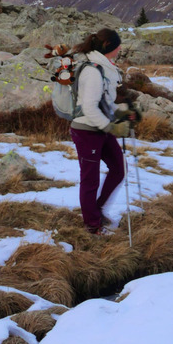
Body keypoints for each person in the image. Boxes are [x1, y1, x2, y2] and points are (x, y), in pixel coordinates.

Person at [70, 28, 132, 235]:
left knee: (118, 168)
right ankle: (92, 226)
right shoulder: (93, 71)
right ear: (108, 47)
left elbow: (104, 102)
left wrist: (120, 114)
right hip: (87, 131)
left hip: (100, 128)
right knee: (90, 179)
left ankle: (95, 210)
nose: (120, 48)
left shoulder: (104, 68)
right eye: (117, 45)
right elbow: (89, 107)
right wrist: (112, 127)